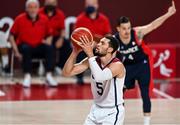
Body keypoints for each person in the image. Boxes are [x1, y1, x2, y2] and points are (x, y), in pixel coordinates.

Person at [114, 1, 176, 125]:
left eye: (128, 28)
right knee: (118, 93)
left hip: (142, 65)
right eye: (124, 28)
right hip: (126, 68)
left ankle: (146, 122)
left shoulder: (137, 33)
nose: (127, 31)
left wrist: (168, 14)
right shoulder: (114, 40)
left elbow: (153, 25)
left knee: (145, 93)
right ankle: (118, 119)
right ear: (118, 29)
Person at [62, 35, 125, 125]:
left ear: (110, 49)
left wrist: (90, 54)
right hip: (95, 109)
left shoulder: (117, 65)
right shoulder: (92, 60)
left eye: (102, 43)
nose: (98, 44)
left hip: (112, 112)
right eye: (99, 42)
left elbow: (100, 76)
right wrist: (75, 52)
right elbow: (66, 73)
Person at [9, 0, 57, 87]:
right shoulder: (19, 19)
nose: (32, 10)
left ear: (38, 9)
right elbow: (11, 36)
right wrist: (16, 52)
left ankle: (49, 75)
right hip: (24, 46)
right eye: (30, 7)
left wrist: (48, 42)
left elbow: (50, 35)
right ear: (26, 9)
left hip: (38, 45)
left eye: (35, 7)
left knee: (49, 48)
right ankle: (27, 76)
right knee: (26, 48)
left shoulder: (44, 19)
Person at [74, 0, 112, 84]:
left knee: (110, 51)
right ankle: (79, 77)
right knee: (79, 52)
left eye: (92, 4)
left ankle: (108, 75)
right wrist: (87, 45)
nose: (90, 6)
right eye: (88, 4)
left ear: (97, 5)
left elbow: (108, 36)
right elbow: (76, 36)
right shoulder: (80, 19)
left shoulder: (104, 19)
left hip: (100, 46)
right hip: (85, 47)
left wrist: (99, 43)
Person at [39, 0, 72, 75]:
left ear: (56, 4)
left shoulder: (60, 14)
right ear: (45, 3)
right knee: (47, 47)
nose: (50, 4)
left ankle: (59, 66)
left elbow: (62, 29)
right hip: (42, 38)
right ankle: (45, 67)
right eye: (48, 2)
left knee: (66, 44)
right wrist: (41, 40)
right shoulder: (39, 13)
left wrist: (61, 39)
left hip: (55, 37)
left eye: (52, 3)